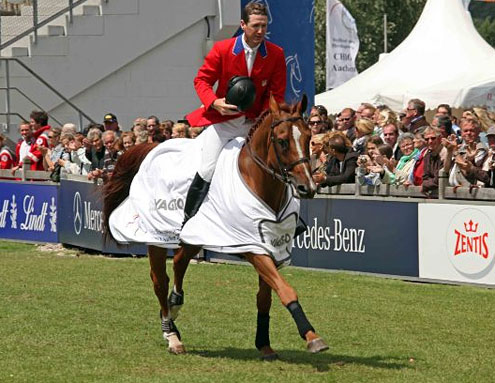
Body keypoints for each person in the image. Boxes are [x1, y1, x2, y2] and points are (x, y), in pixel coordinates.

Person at [182, 2, 286, 224]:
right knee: (208, 168)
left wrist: (263, 119)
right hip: (223, 123)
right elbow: (201, 81)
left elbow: (276, 96)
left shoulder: (276, 54)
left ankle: (287, 219)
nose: (260, 31)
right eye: (256, 26)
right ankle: (188, 220)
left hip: (255, 123)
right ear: (243, 24)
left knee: (281, 164)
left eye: (264, 26)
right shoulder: (222, 49)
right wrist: (213, 102)